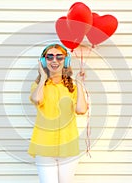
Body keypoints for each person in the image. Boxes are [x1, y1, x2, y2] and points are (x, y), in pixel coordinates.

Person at [28, 43, 88, 183]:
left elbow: (81, 110)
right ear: (44, 61)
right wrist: (43, 77)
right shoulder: (38, 86)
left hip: (68, 147)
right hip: (44, 147)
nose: (54, 60)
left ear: (66, 61)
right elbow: (37, 99)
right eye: (49, 57)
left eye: (59, 57)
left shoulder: (73, 86)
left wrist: (79, 83)